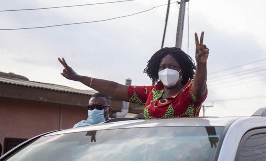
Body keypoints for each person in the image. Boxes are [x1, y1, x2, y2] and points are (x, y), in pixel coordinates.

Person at [59, 32, 209, 119]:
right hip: (153, 157)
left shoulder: (189, 93)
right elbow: (114, 89)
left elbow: (200, 86)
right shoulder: (152, 93)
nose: (167, 70)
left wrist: (201, 64)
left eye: (172, 67)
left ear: (182, 71)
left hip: (186, 157)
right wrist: (79, 78)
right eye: (162, 67)